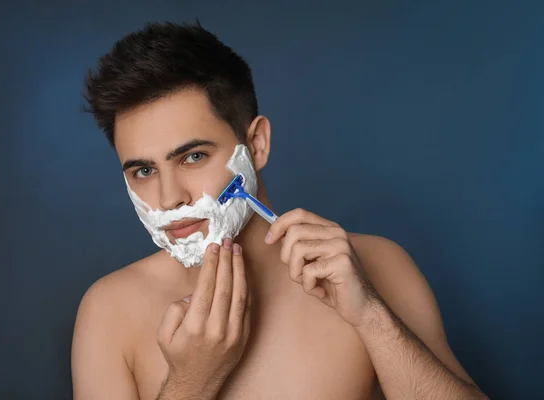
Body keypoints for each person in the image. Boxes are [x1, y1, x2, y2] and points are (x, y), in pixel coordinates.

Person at [71, 21, 487, 400]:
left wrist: (372, 318)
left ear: (257, 145)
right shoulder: (110, 312)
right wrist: (193, 381)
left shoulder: (377, 266)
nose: (168, 198)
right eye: (144, 170)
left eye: (193, 157)